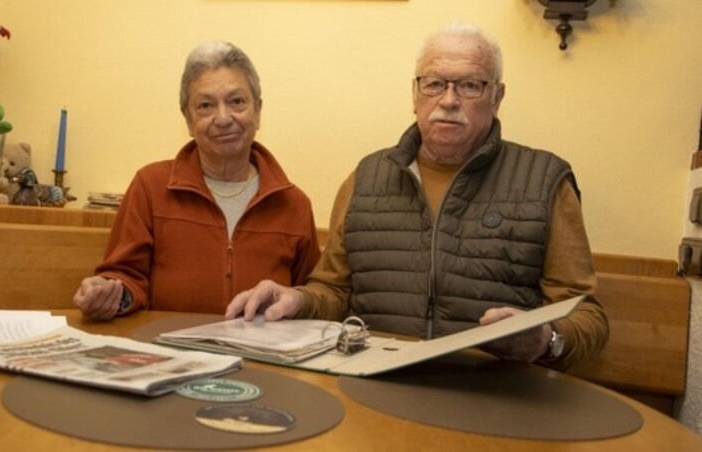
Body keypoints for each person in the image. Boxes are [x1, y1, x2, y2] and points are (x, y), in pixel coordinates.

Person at [226, 24, 609, 370]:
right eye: (434, 83)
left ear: (497, 97)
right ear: (414, 93)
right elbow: (335, 290)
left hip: (496, 395)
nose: (449, 100)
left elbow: (587, 316)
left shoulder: (543, 181)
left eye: (471, 85)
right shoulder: (367, 177)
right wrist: (297, 300)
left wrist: (545, 341)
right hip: (374, 386)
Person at [73, 41, 321, 320]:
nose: (224, 118)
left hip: (262, 359)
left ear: (258, 111)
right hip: (168, 355)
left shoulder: (293, 203)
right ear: (188, 120)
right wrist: (110, 294)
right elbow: (126, 277)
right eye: (205, 106)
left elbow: (312, 297)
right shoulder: (150, 186)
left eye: (237, 101)